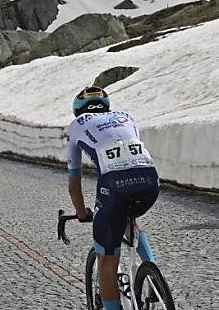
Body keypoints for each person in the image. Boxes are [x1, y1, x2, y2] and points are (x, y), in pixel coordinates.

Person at [66, 86, 159, 310]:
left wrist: (81, 213)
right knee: (130, 221)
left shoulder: (77, 125)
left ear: (78, 110)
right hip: (150, 179)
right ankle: (152, 276)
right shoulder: (126, 116)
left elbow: (74, 185)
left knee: (106, 260)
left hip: (115, 186)